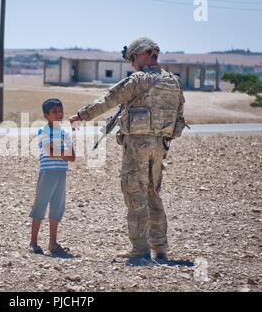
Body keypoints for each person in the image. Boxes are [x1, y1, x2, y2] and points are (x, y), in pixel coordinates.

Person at [69, 37, 187, 265]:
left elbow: (109, 99)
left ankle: (140, 250)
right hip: (161, 146)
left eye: (133, 58)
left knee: (135, 193)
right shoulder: (174, 81)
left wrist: (81, 115)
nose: (133, 63)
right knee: (153, 193)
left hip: (138, 146)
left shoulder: (140, 80)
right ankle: (160, 249)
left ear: (144, 54)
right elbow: (179, 115)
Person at [29, 98, 76, 257]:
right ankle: (33, 242)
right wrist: (63, 153)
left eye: (60, 111)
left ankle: (52, 243)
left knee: (57, 207)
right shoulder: (43, 131)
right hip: (47, 172)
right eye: (54, 112)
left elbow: (73, 157)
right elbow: (51, 152)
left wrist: (60, 153)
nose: (58, 114)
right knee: (40, 205)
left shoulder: (64, 132)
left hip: (61, 173)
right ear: (46, 115)